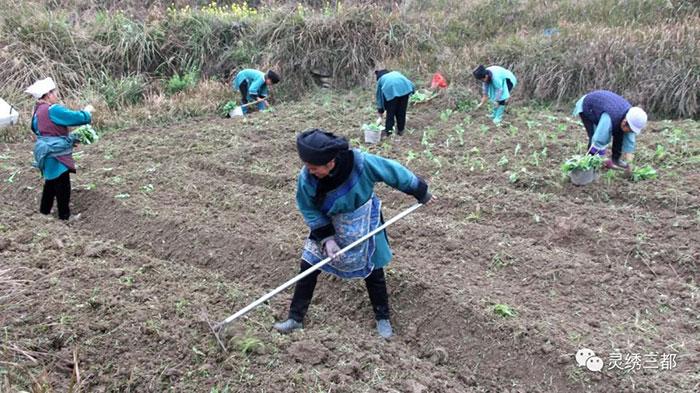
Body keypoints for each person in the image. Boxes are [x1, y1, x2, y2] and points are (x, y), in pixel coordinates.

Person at [273, 128, 432, 339]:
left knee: (374, 270)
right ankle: (295, 318)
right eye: (307, 167)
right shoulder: (307, 178)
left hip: (363, 219)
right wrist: (326, 239)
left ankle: (382, 318)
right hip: (328, 222)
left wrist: (420, 191)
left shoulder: (360, 164)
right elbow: (308, 207)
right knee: (308, 266)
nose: (309, 171)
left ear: (330, 162)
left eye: (313, 167)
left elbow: (394, 172)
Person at [25, 77, 93, 221]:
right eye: (55, 92)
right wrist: (87, 112)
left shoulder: (37, 110)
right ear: (48, 94)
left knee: (51, 181)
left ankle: (44, 212)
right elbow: (75, 117)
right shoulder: (52, 109)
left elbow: (40, 130)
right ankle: (65, 216)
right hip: (56, 152)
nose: (57, 95)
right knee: (63, 183)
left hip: (44, 151)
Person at [572, 90, 648, 169]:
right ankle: (590, 163)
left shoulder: (632, 118)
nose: (630, 132)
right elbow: (599, 140)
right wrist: (601, 160)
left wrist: (630, 165)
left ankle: (616, 160)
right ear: (625, 122)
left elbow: (630, 143)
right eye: (629, 130)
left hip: (606, 108)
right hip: (589, 106)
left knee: (620, 133)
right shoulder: (609, 119)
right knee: (594, 135)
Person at [375, 69, 415, 137]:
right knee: (401, 112)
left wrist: (380, 111)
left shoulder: (381, 79)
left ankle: (389, 132)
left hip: (391, 90)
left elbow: (379, 97)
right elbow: (410, 83)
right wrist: (412, 91)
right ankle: (400, 131)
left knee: (390, 112)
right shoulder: (396, 73)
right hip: (405, 89)